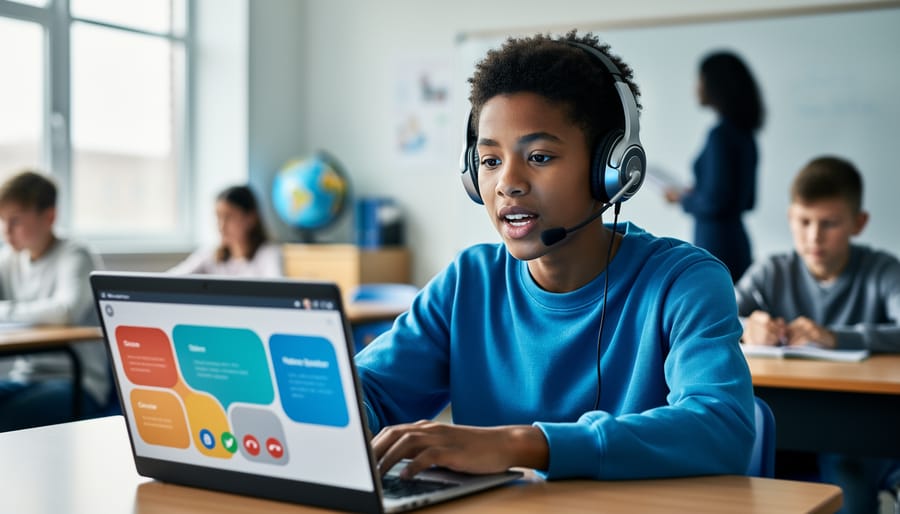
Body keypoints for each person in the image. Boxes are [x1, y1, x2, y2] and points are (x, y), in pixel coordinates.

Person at [356, 31, 754, 481]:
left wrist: (522, 444)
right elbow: (367, 392)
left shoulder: (684, 282)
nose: (508, 182)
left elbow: (723, 429)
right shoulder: (468, 282)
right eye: (489, 161)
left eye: (540, 156)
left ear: (611, 169)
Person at [735, 156, 900, 513]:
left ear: (859, 223)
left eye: (829, 224)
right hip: (783, 422)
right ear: (790, 218)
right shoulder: (772, 270)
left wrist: (837, 338)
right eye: (804, 221)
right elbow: (718, 315)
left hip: (857, 425)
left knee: (848, 478)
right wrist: (749, 327)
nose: (814, 236)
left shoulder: (882, 271)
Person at [0, 170, 110, 431]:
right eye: (2, 221)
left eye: (15, 221)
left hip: (77, 379)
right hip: (25, 377)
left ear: (49, 216)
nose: (6, 231)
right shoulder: (10, 259)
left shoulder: (75, 255)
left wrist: (6, 311)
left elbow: (65, 312)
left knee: (9, 418)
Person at [665, 50, 764, 283]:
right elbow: (747, 200)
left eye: (699, 79)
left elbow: (714, 203)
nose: (696, 87)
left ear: (715, 84)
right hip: (736, 241)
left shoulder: (720, 135)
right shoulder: (744, 134)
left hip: (716, 243)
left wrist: (682, 198)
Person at [169, 185, 282, 277]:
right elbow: (173, 278)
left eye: (229, 217)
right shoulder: (210, 255)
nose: (221, 226)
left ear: (250, 219)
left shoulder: (268, 254)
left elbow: (276, 290)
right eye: (218, 217)